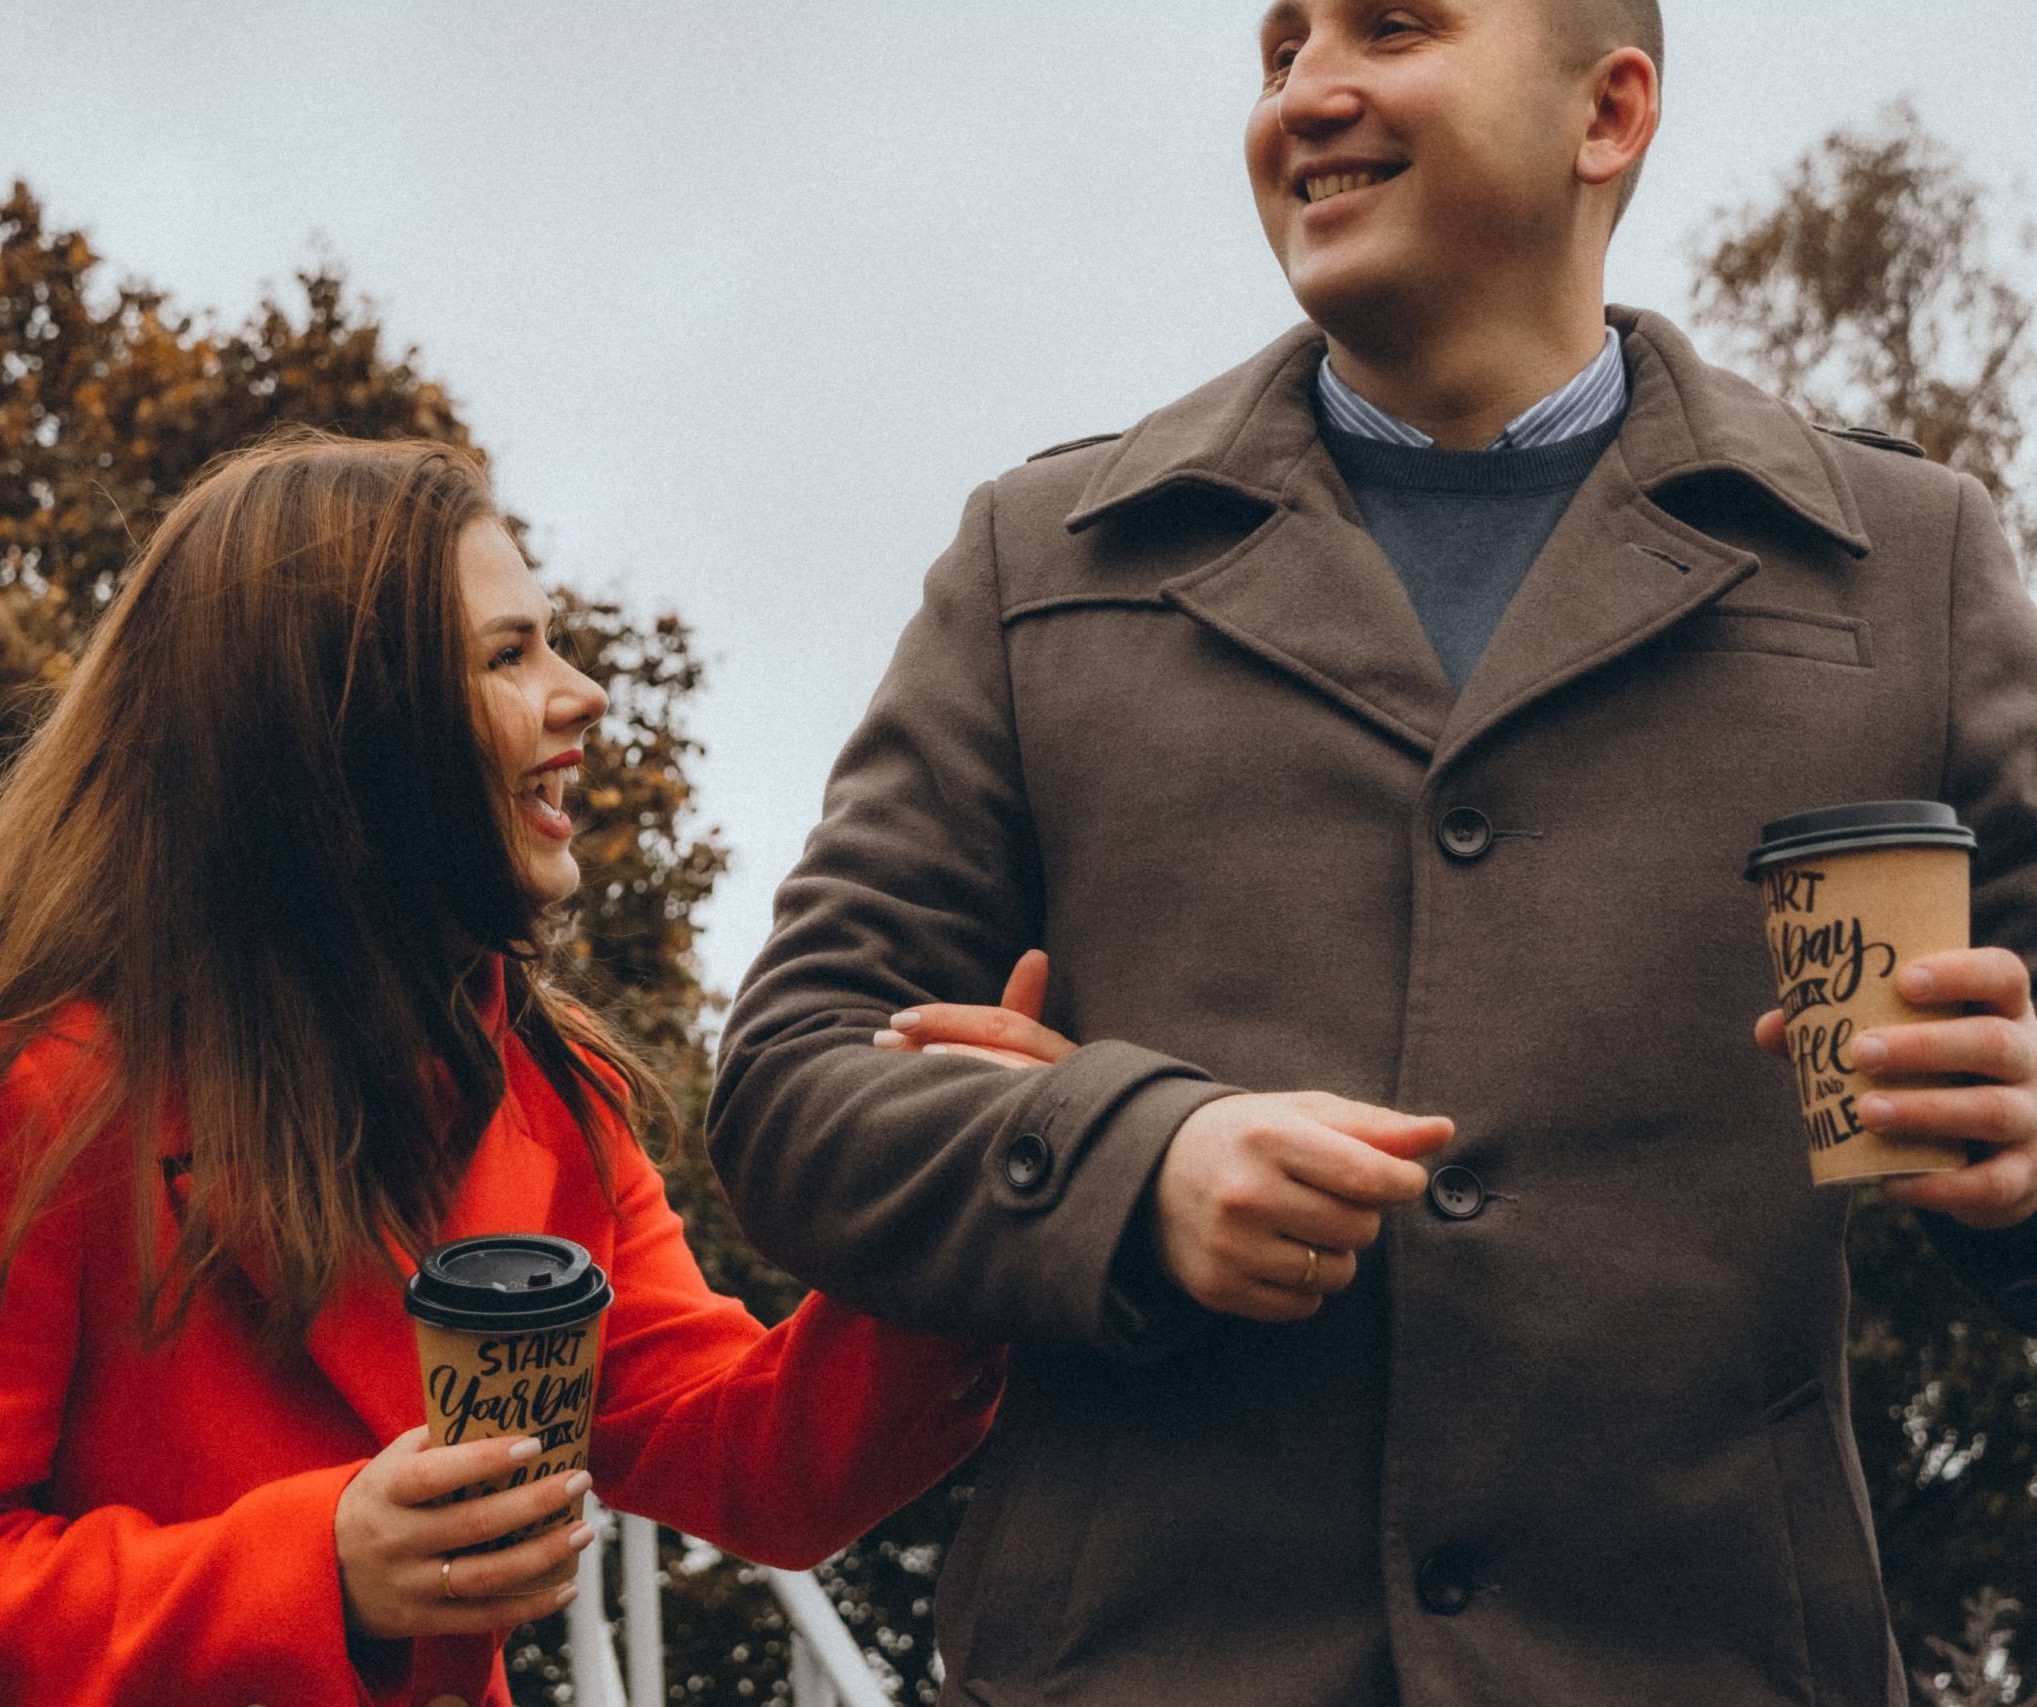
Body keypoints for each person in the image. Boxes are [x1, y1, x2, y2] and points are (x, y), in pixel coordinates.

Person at [708, 3, 2037, 1703]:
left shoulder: (1907, 562)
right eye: (1280, 51)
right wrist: (1136, 1159)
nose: (1306, 93)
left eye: (1391, 27)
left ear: (1609, 113)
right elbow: (791, 1077)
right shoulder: (1039, 561)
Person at [0, 431, 1002, 1707]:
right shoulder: (11, 1086)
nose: (584, 693)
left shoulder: (547, 1092)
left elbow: (750, 1463)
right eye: (508, 655)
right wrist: (317, 1573)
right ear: (343, 729)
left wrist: (991, 1180)